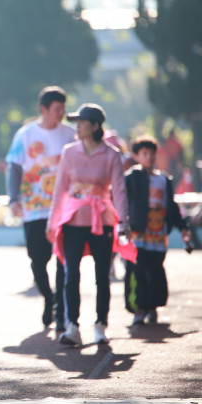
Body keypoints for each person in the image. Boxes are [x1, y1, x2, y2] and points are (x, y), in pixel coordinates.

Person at [46, 103, 129, 346]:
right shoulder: (69, 152)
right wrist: (53, 221)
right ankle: (72, 326)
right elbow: (60, 189)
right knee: (71, 273)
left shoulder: (112, 154)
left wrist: (124, 221)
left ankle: (101, 324)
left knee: (103, 275)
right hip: (73, 220)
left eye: (81, 122)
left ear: (94, 126)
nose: (77, 126)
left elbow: (119, 190)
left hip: (102, 220)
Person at [5, 86, 75, 331]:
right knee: (37, 261)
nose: (61, 113)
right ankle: (49, 297)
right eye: (57, 109)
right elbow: (14, 167)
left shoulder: (70, 134)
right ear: (43, 109)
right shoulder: (25, 134)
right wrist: (13, 199)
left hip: (64, 210)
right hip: (34, 208)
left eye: (63, 108)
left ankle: (61, 312)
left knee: (64, 261)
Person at [124, 135, 192, 325]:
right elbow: (122, 202)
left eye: (152, 153)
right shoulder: (131, 178)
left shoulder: (163, 179)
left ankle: (153, 306)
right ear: (136, 156)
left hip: (158, 236)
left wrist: (183, 227)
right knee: (138, 271)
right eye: (144, 153)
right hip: (137, 235)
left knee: (155, 271)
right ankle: (139, 308)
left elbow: (171, 207)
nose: (149, 157)